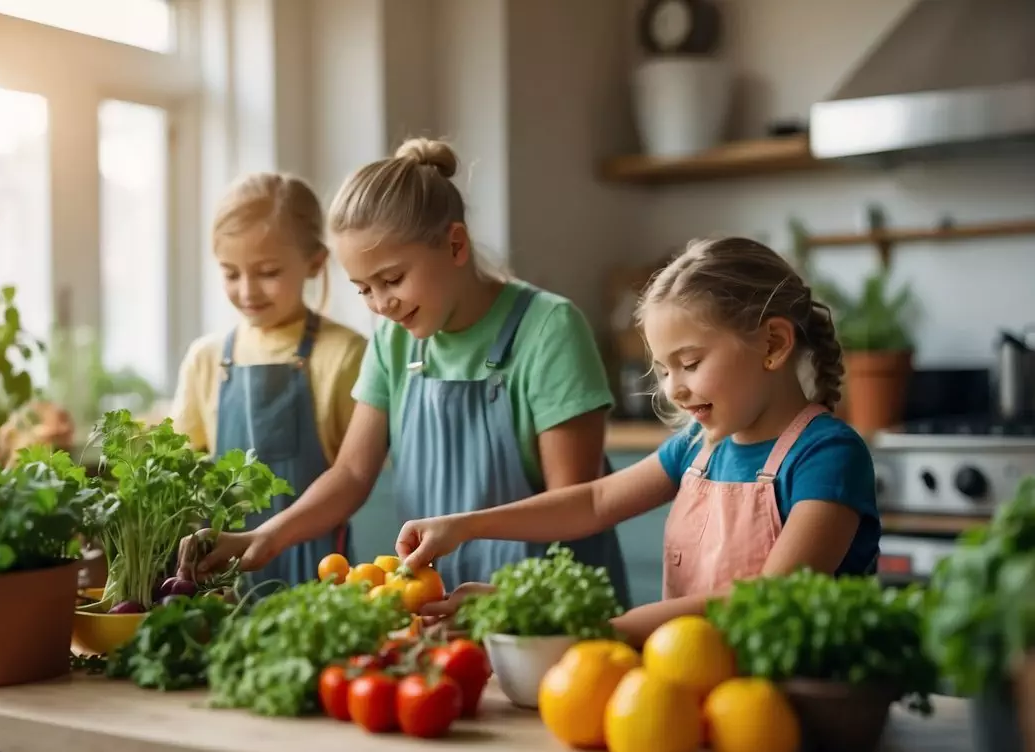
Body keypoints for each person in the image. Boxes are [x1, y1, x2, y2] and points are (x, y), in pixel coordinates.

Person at [178, 138, 628, 605]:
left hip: (548, 614)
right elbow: (352, 472)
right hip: (439, 609)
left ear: (455, 244)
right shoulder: (394, 341)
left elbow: (576, 504)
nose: (381, 304)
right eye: (363, 290)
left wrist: (500, 598)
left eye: (392, 280)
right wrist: (266, 537)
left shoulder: (549, 329)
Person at [396, 236, 880, 647]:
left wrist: (581, 627)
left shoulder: (826, 456)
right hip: (696, 689)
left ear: (773, 344)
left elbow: (769, 601)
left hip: (800, 716)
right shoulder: (698, 446)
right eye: (664, 369)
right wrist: (464, 526)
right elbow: (595, 500)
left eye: (690, 363)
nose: (674, 388)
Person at [169, 172, 367, 588]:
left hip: (316, 582)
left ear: (314, 262)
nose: (247, 290)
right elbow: (179, 476)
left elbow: (360, 477)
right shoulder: (206, 360)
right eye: (230, 273)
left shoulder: (347, 354)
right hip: (221, 585)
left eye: (267, 271)